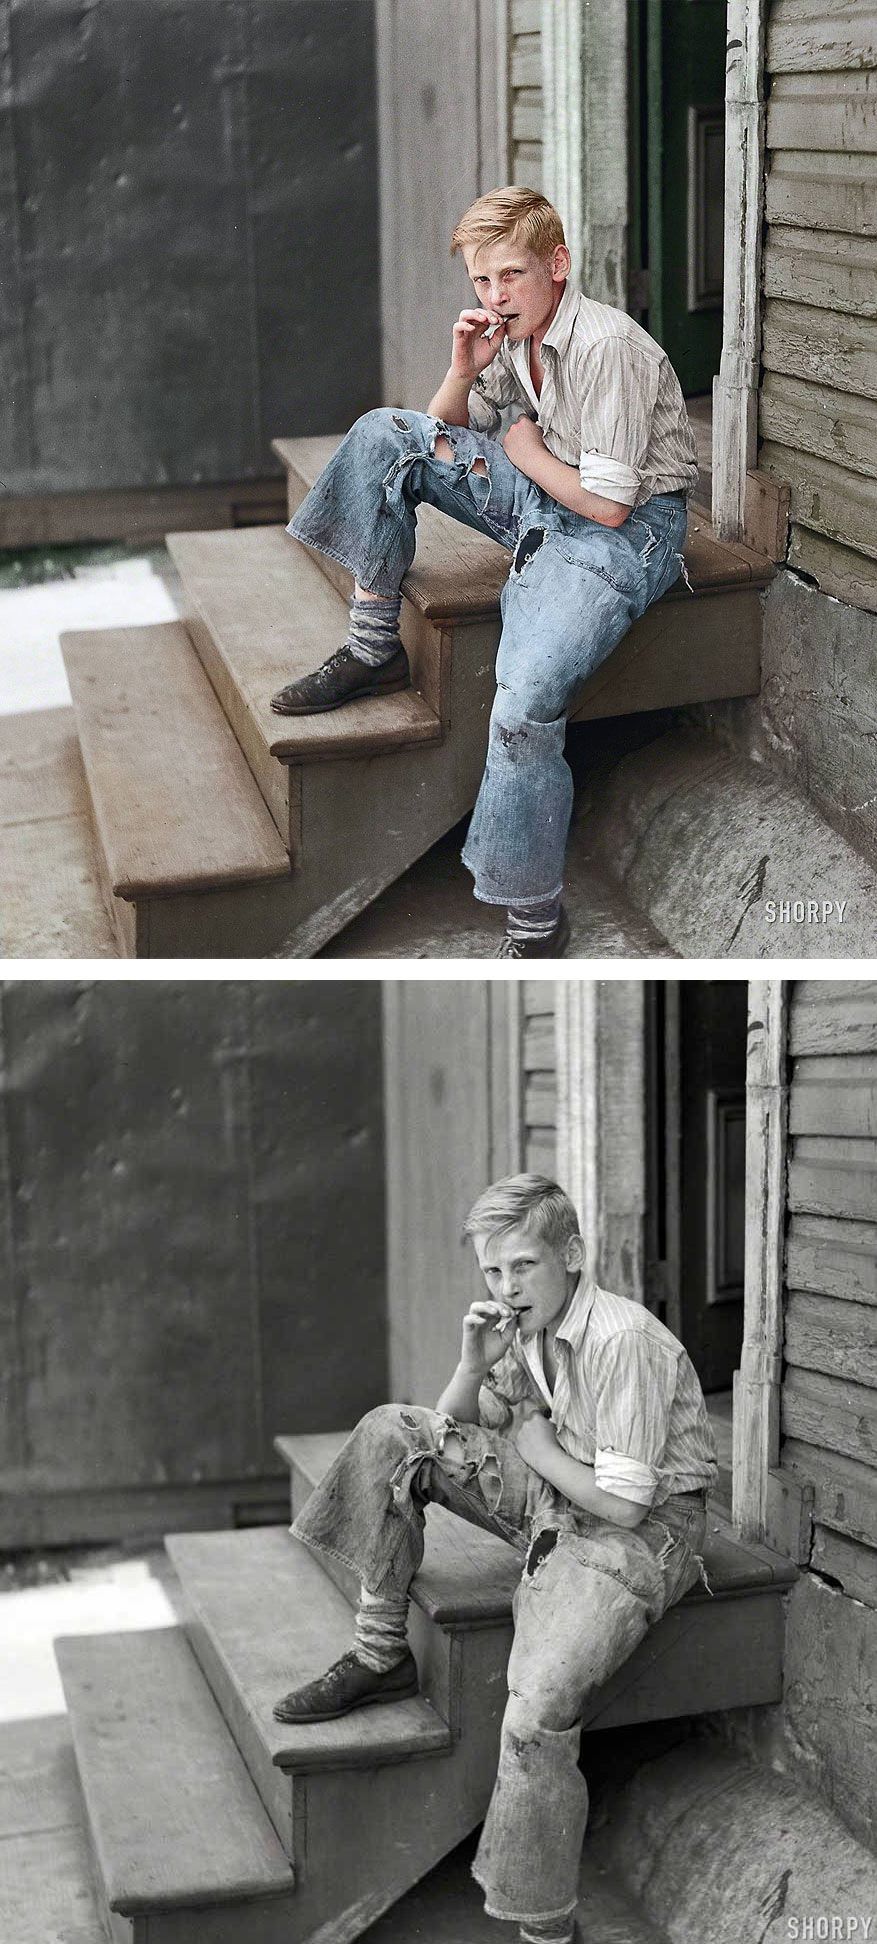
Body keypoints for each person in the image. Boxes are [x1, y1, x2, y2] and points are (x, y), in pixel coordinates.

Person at [273, 1173, 718, 1944]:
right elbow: (445, 1430)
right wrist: (475, 1362)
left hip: (641, 1534)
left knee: (535, 1712)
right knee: (392, 1429)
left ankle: (542, 1923)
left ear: (571, 1255)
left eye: (523, 1266)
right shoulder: (524, 1328)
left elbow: (624, 1506)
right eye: (492, 1270)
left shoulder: (622, 1340)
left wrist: (535, 1444)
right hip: (556, 1495)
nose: (506, 1286)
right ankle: (381, 1652)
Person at [270, 187, 698, 958]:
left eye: (511, 276)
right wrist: (463, 370)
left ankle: (533, 921)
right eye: (481, 282)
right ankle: (373, 647)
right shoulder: (513, 334)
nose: (495, 297)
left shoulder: (607, 347)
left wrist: (524, 453)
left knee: (522, 709)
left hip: (626, 531)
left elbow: (606, 507)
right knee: (386, 434)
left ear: (557, 264)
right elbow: (445, 430)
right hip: (546, 490)